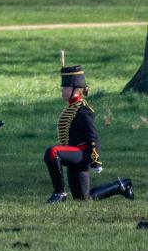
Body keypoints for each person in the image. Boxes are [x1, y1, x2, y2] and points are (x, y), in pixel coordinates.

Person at [43, 65, 133, 203]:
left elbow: (93, 137)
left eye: (65, 87)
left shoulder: (84, 110)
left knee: (53, 152)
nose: (62, 90)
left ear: (75, 90)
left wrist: (95, 160)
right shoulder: (71, 108)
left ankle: (60, 193)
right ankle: (121, 186)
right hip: (73, 154)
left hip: (82, 154)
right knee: (84, 199)